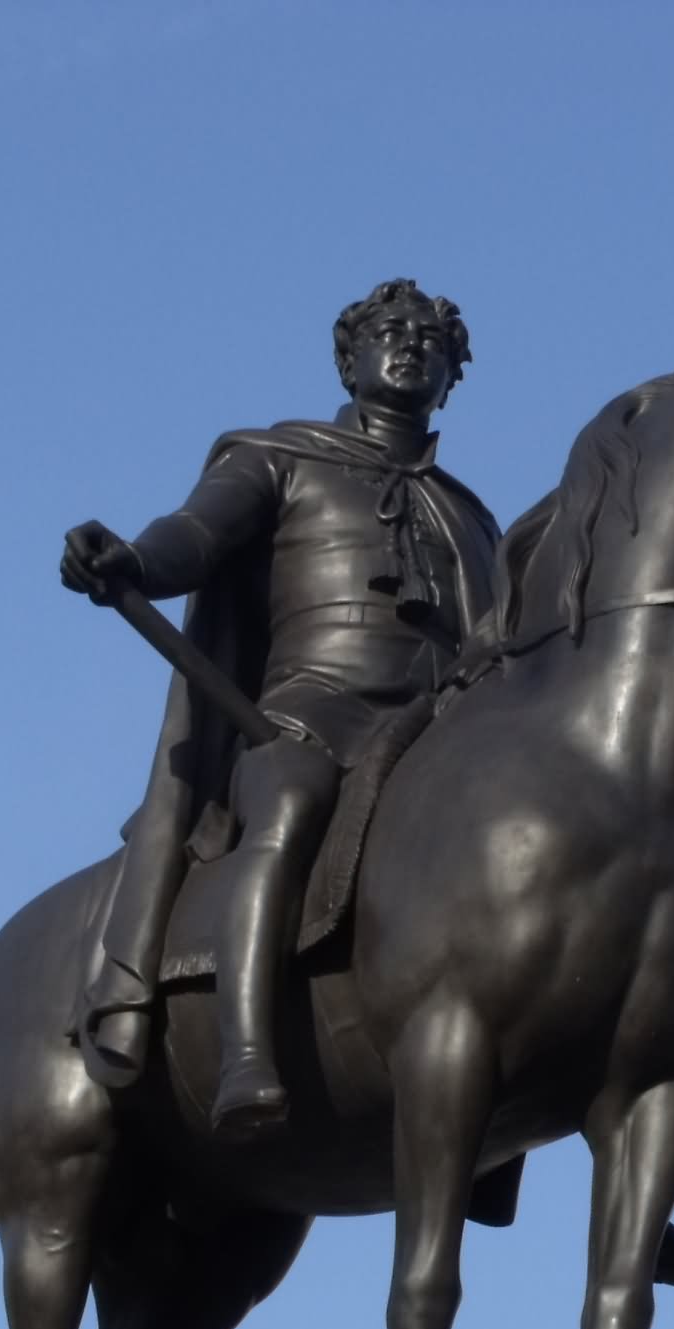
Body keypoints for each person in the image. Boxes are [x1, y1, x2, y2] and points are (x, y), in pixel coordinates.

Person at [61, 277, 496, 1134]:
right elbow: (195, 535)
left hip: (437, 732)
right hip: (314, 711)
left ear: (451, 378)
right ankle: (245, 1053)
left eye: (432, 342)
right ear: (350, 358)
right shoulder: (276, 456)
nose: (410, 345)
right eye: (389, 332)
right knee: (290, 801)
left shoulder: (470, 519)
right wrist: (137, 562)